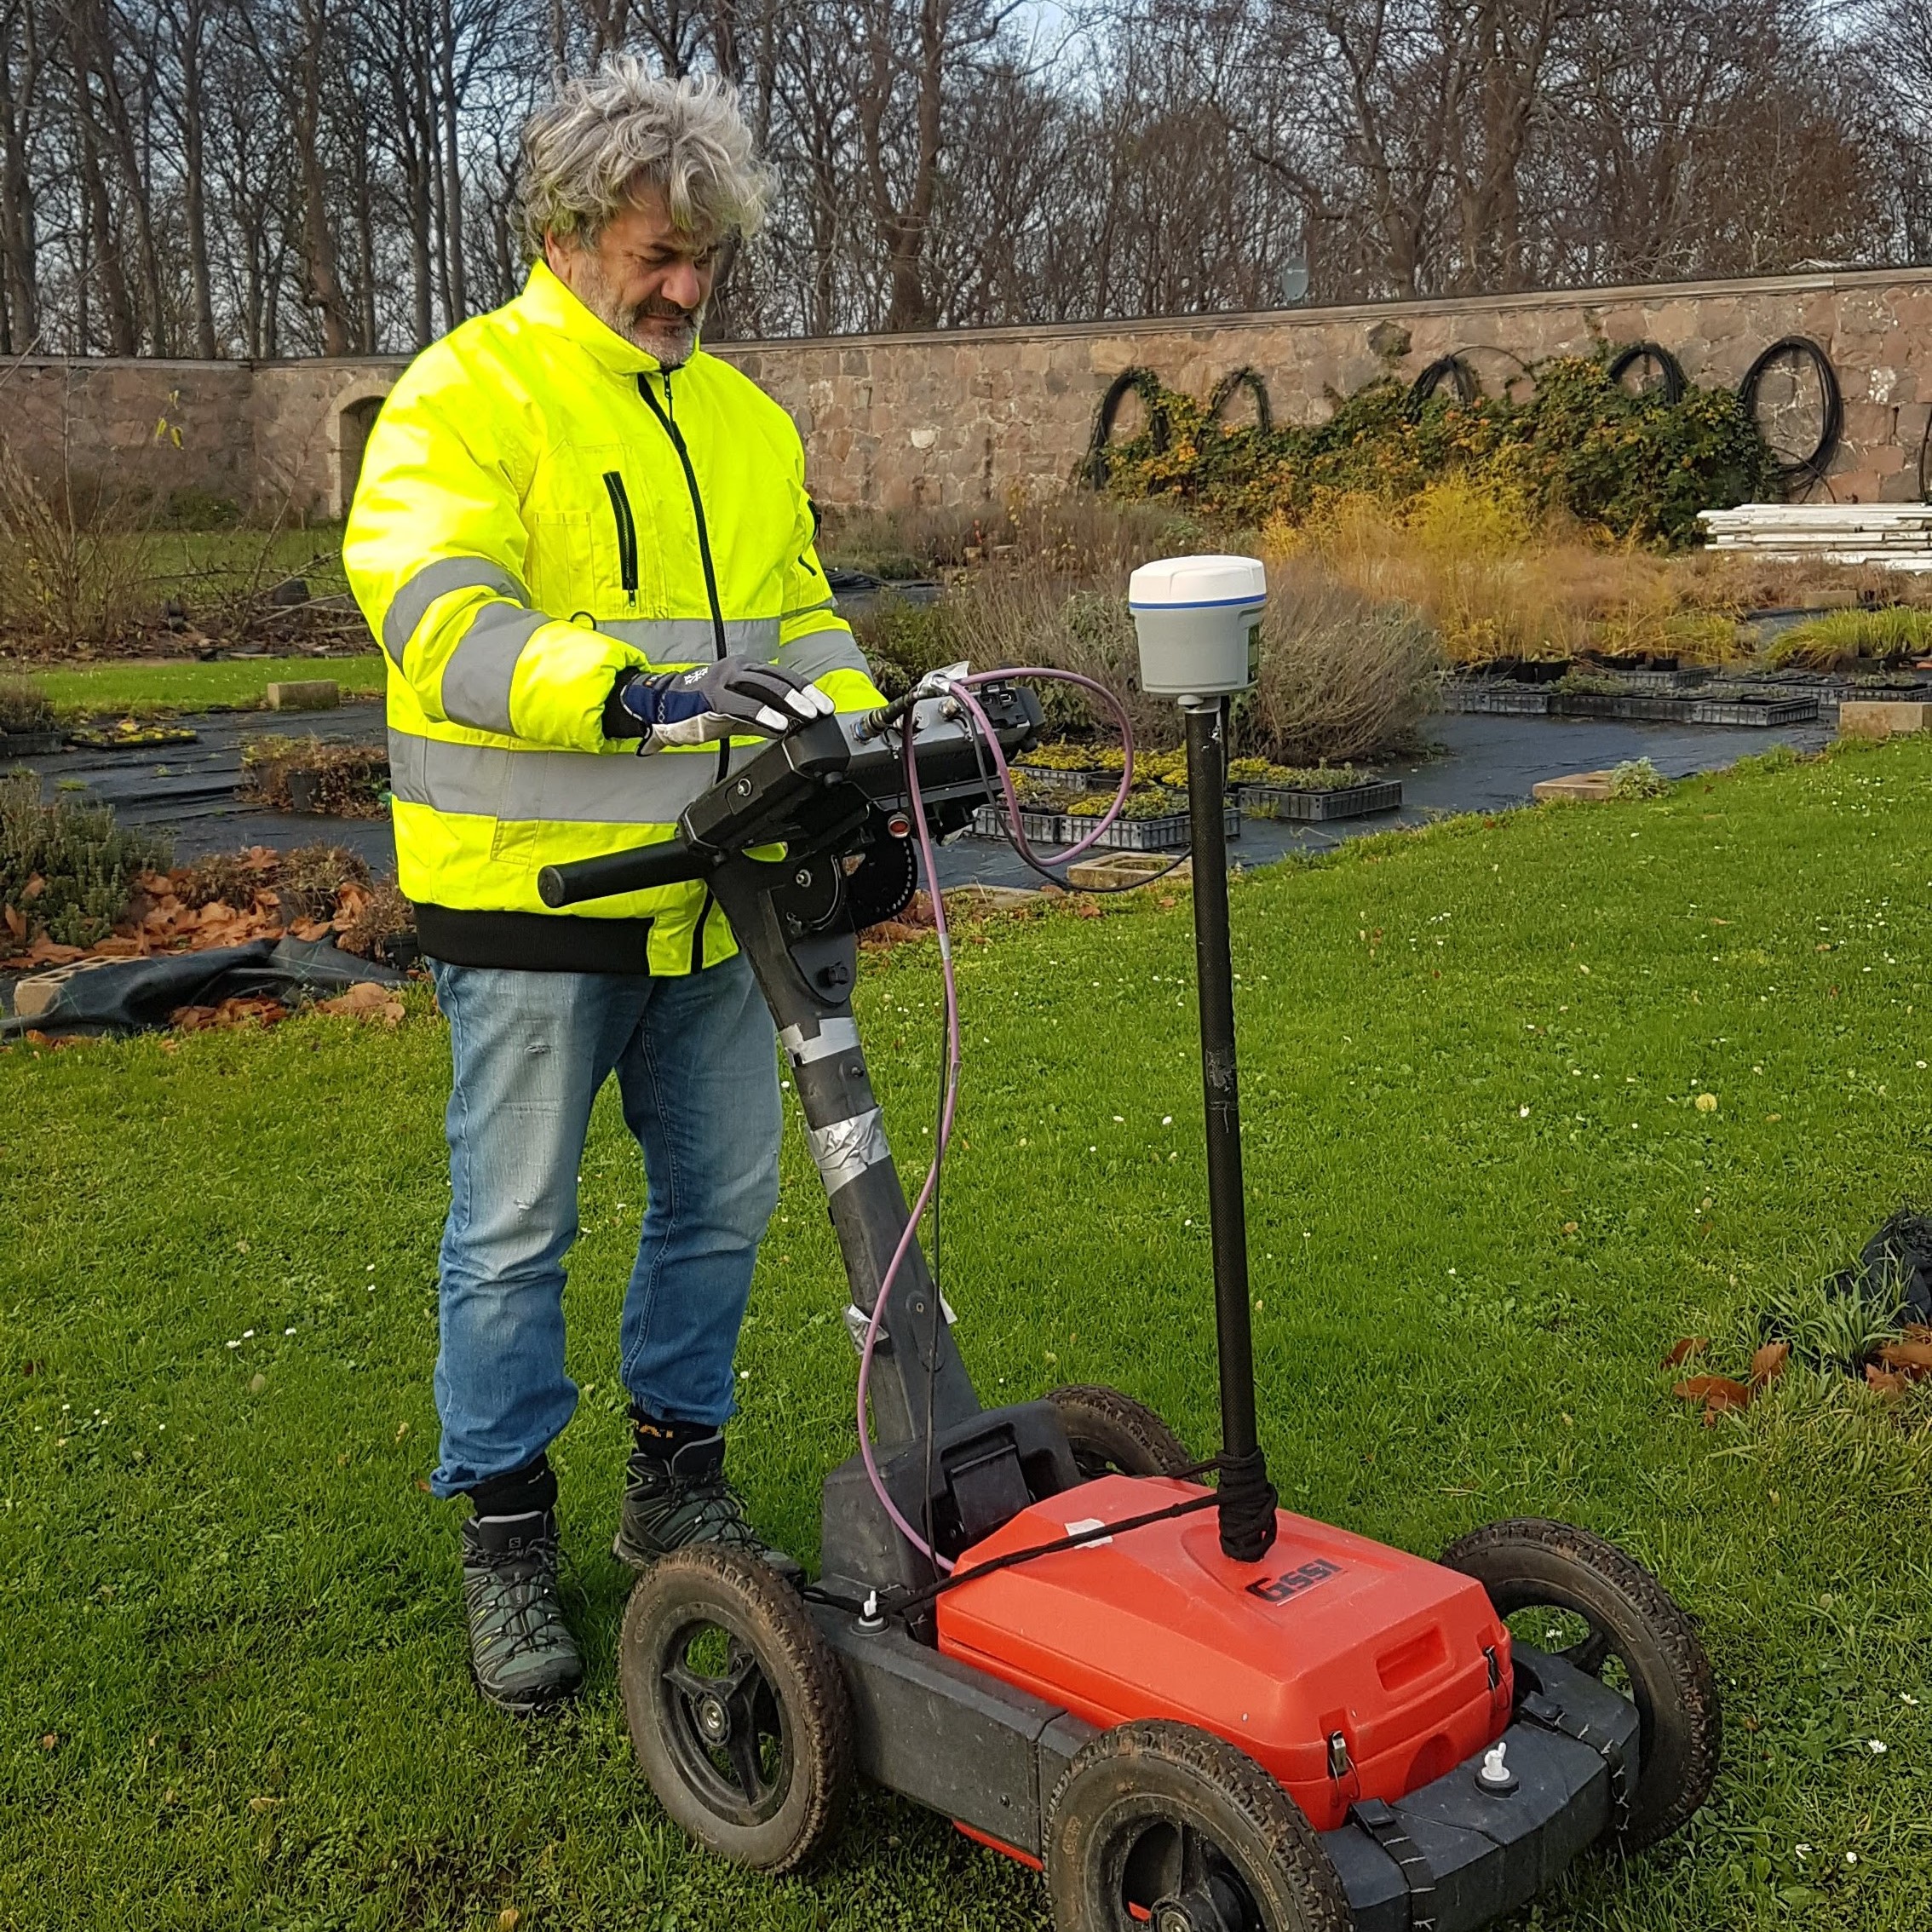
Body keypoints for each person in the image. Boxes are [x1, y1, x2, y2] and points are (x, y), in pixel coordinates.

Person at [342, 60, 882, 1715]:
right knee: (513, 1236)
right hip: (534, 902)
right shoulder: (465, 398)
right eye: (659, 253)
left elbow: (798, 624)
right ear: (569, 229)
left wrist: (878, 735)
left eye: (707, 255)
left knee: (720, 1205)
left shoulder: (744, 421)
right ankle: (507, 1533)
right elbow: (436, 612)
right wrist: (626, 695)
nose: (687, 286)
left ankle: (676, 1477)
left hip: (721, 904)